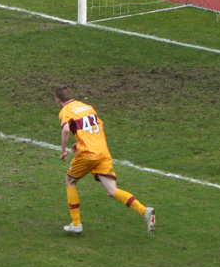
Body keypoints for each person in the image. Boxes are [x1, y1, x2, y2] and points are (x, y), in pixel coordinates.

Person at [53, 84, 155, 235]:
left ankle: (76, 223)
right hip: (103, 152)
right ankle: (144, 211)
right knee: (112, 190)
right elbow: (99, 127)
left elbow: (66, 129)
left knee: (70, 181)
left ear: (57, 100)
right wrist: (80, 141)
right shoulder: (87, 107)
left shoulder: (65, 111)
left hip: (87, 153)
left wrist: (63, 151)